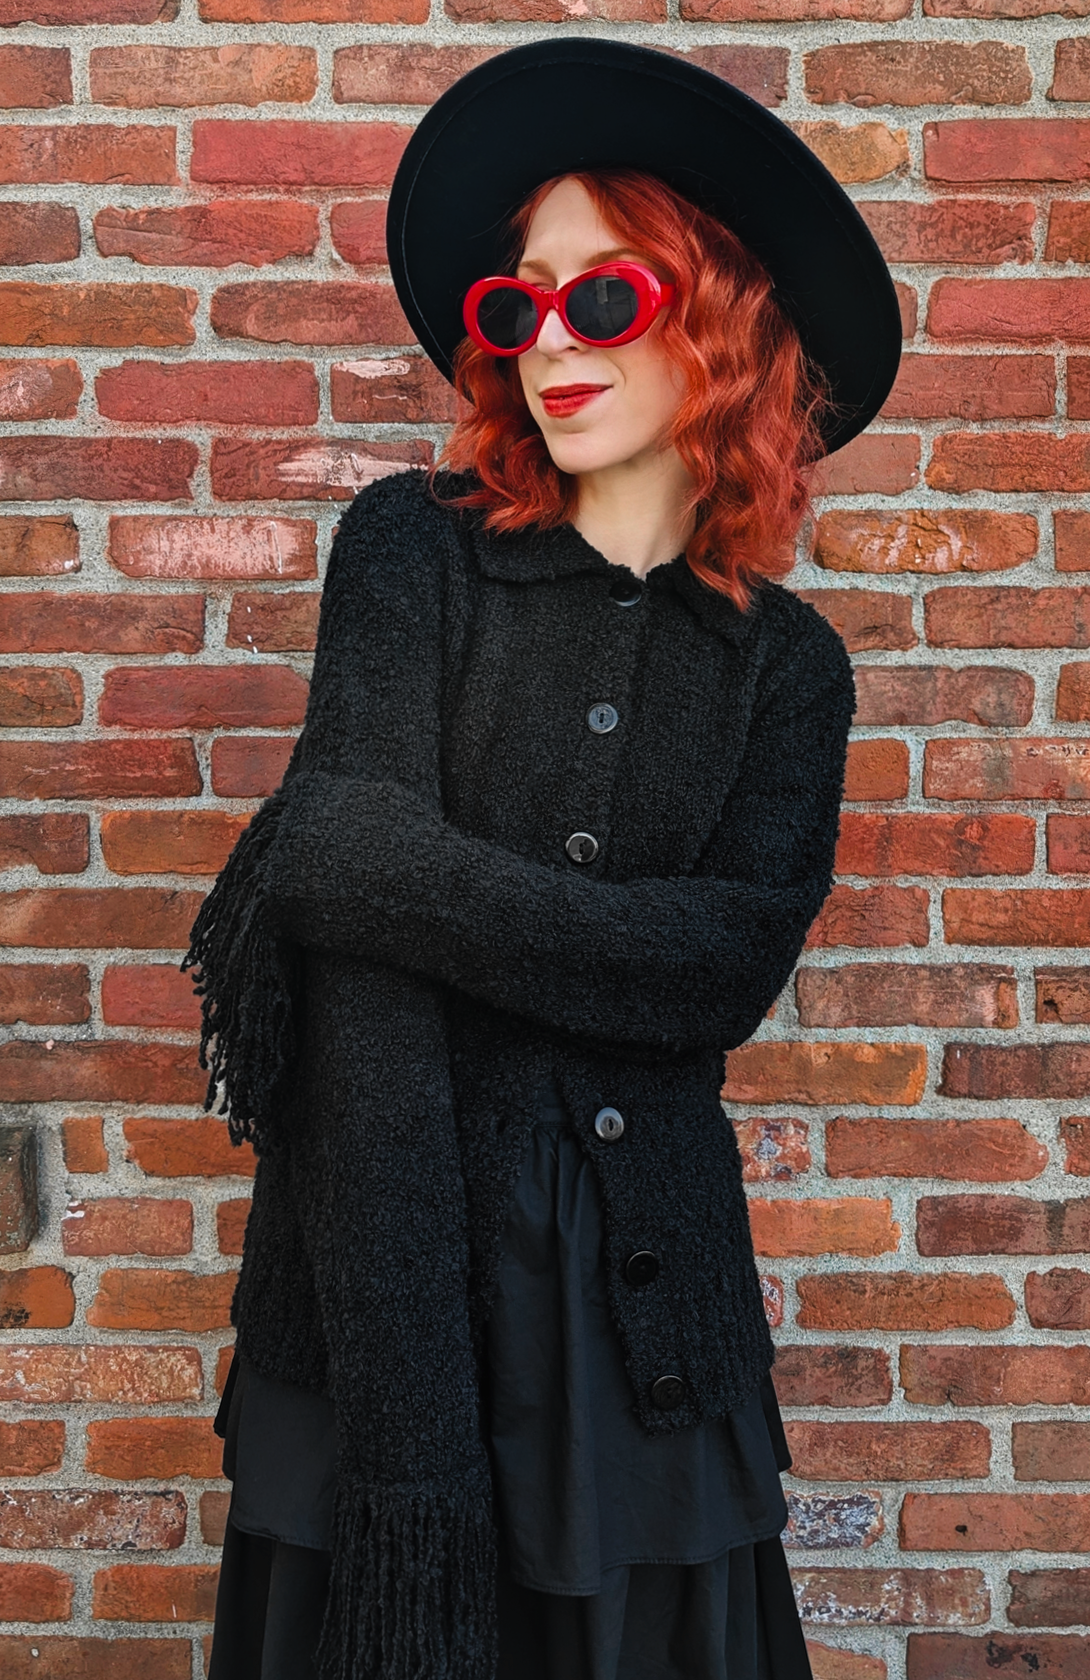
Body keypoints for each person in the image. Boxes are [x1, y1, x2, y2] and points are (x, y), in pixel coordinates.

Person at [195, 38, 900, 1680]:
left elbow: (719, 973)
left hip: (645, 1322)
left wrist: (380, 862)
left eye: (606, 298)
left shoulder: (786, 671)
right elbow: (347, 966)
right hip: (382, 1290)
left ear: (724, 320)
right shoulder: (410, 556)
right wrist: (415, 1445)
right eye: (520, 307)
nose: (547, 345)